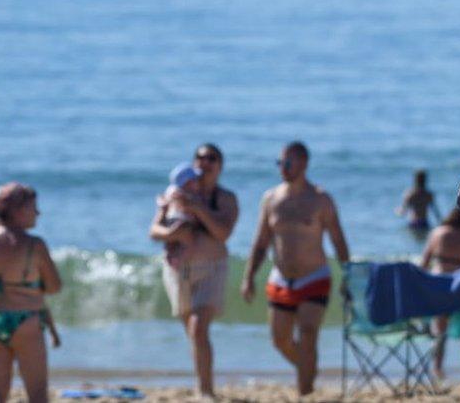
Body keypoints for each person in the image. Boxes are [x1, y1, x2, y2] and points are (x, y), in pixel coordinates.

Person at [240, 141, 350, 396]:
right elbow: (261, 241)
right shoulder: (271, 198)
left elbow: (338, 240)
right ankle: (308, 368)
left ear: (304, 163)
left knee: (308, 333)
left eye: (287, 163)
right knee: (280, 340)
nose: (282, 168)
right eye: (279, 163)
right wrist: (248, 277)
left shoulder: (321, 199)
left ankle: (305, 393)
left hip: (314, 277)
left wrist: (347, 274)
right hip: (280, 279)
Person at [150, 143, 239, 399]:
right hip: (179, 271)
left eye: (211, 158)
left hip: (211, 268)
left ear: (220, 166)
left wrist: (198, 207)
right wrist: (172, 233)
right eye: (200, 158)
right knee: (192, 331)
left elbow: (223, 233)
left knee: (199, 327)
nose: (205, 163)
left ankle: (205, 390)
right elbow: (154, 231)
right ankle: (202, 383)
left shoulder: (225, 198)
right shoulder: (175, 194)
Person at [0, 183, 62, 403]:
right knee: (37, 392)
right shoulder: (34, 244)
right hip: (25, 319)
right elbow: (54, 286)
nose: (38, 212)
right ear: (18, 211)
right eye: (33, 207)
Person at [420, 208, 460, 379]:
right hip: (459, 288)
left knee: (440, 331)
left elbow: (424, 265)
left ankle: (437, 369)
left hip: (437, 286)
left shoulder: (437, 233)